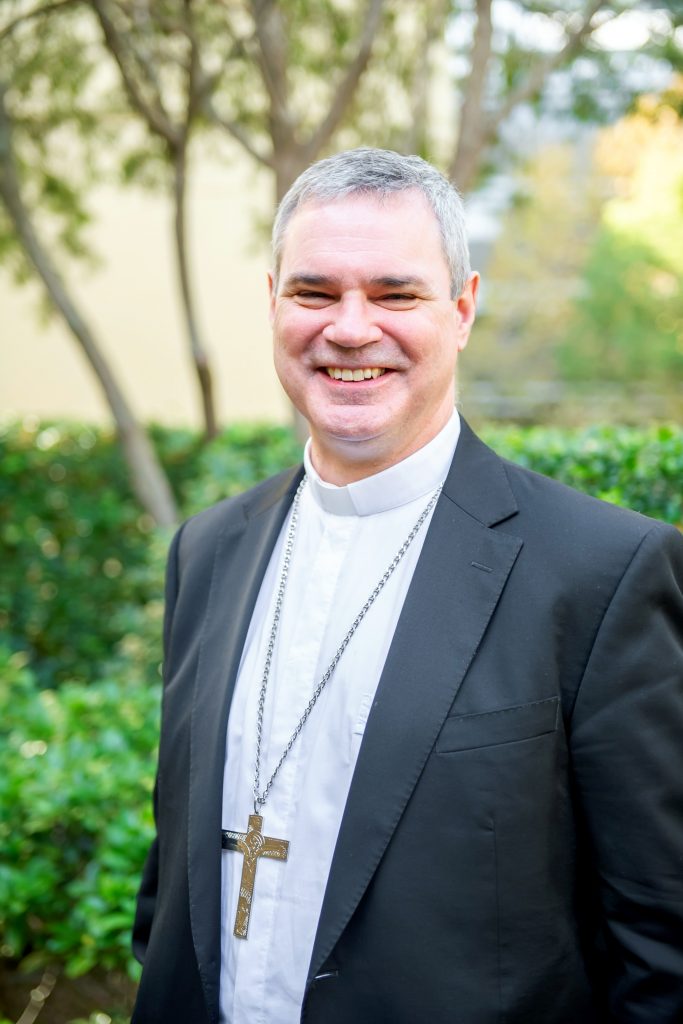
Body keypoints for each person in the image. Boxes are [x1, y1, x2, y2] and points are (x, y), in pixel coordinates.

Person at [131, 147, 683, 1024]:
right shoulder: (207, 551)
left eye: (395, 294)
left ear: (463, 309)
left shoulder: (600, 572)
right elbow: (172, 889)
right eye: (314, 293)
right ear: (271, 302)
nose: (350, 329)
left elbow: (661, 945)